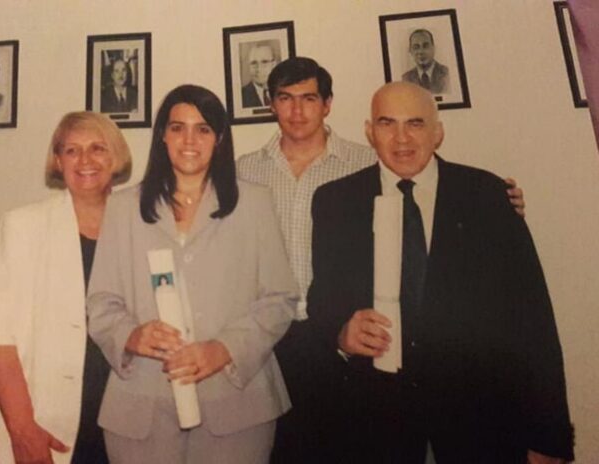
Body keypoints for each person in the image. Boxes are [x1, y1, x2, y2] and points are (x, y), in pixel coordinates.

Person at [236, 57, 526, 463]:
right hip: (273, 340)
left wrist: (497, 203)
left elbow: (432, 201)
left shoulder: (369, 162)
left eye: (309, 98)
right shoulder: (243, 172)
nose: (297, 110)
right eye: (285, 98)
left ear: (328, 104)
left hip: (345, 342)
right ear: (271, 104)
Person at [308, 82, 573, 463]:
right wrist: (341, 332)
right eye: (387, 123)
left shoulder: (487, 195)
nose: (401, 138)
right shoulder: (335, 201)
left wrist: (548, 436)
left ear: (438, 132)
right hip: (377, 428)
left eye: (415, 123)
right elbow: (322, 299)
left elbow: (533, 320)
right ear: (369, 132)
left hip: (482, 425)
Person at [86, 84, 298, 464]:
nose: (189, 140)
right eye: (177, 128)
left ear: (219, 139)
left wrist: (224, 349)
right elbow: (101, 303)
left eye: (202, 129)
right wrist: (132, 335)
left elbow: (280, 299)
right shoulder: (122, 208)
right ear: (162, 136)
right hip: (141, 405)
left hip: (236, 404)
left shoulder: (254, 203)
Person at [0, 111, 132, 464]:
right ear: (58, 162)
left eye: (98, 148)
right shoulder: (23, 226)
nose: (85, 160)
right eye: (72, 150)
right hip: (43, 425)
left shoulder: (139, 227)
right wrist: (23, 431)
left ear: (115, 156)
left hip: (121, 425)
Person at [401, 29, 450, 94]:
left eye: (425, 46)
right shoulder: (406, 78)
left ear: (433, 48)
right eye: (416, 47)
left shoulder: (446, 73)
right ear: (410, 51)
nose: (421, 51)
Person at [241, 41, 277, 108]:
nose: (259, 69)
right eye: (254, 63)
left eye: (264, 62)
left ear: (274, 64)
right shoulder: (241, 96)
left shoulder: (283, 90)